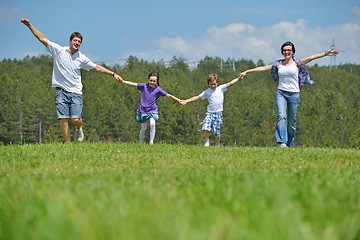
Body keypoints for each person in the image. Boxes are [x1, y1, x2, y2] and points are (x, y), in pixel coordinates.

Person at [21, 18, 123, 143]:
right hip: (61, 91)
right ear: (70, 41)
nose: (77, 43)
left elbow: (96, 67)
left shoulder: (81, 58)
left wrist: (113, 74)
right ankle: (68, 144)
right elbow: (42, 38)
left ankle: (79, 128)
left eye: (79, 42)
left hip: (75, 92)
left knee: (75, 120)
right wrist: (29, 25)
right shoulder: (59, 50)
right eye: (75, 40)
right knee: (63, 119)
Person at [239, 41, 339, 148]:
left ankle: (290, 144)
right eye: (285, 50)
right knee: (281, 116)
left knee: (292, 122)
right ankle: (282, 142)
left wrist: (325, 54)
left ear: (292, 52)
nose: (287, 52)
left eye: (289, 50)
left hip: (294, 95)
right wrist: (247, 71)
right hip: (281, 93)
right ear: (282, 52)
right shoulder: (278, 64)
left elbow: (311, 57)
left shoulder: (296, 63)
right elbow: (262, 68)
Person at [118, 71, 181, 144]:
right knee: (143, 128)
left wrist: (178, 100)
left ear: (157, 81)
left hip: (152, 110)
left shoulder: (158, 90)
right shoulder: (144, 86)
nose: (152, 82)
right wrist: (122, 81)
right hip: (143, 110)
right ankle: (140, 141)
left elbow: (168, 95)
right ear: (148, 79)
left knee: (152, 124)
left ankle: (151, 141)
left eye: (154, 81)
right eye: (151, 80)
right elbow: (133, 84)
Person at [180, 73, 240, 147]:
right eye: (211, 84)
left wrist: (238, 78)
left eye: (214, 84)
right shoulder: (207, 92)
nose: (213, 86)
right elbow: (197, 97)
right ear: (208, 84)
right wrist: (186, 101)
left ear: (217, 83)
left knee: (216, 131)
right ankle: (206, 141)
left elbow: (231, 83)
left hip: (218, 114)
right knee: (205, 127)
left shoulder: (220, 88)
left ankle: (217, 144)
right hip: (210, 113)